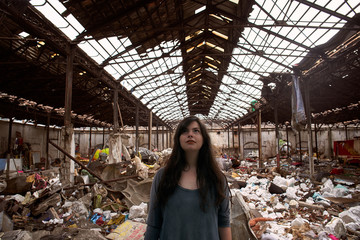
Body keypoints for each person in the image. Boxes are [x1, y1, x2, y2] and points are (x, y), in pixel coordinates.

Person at [145, 116, 232, 240]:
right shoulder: (163, 177)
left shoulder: (217, 179)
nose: (190, 134)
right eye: (185, 131)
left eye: (196, 131)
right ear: (178, 139)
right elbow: (154, 224)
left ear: (204, 139)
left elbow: (223, 222)